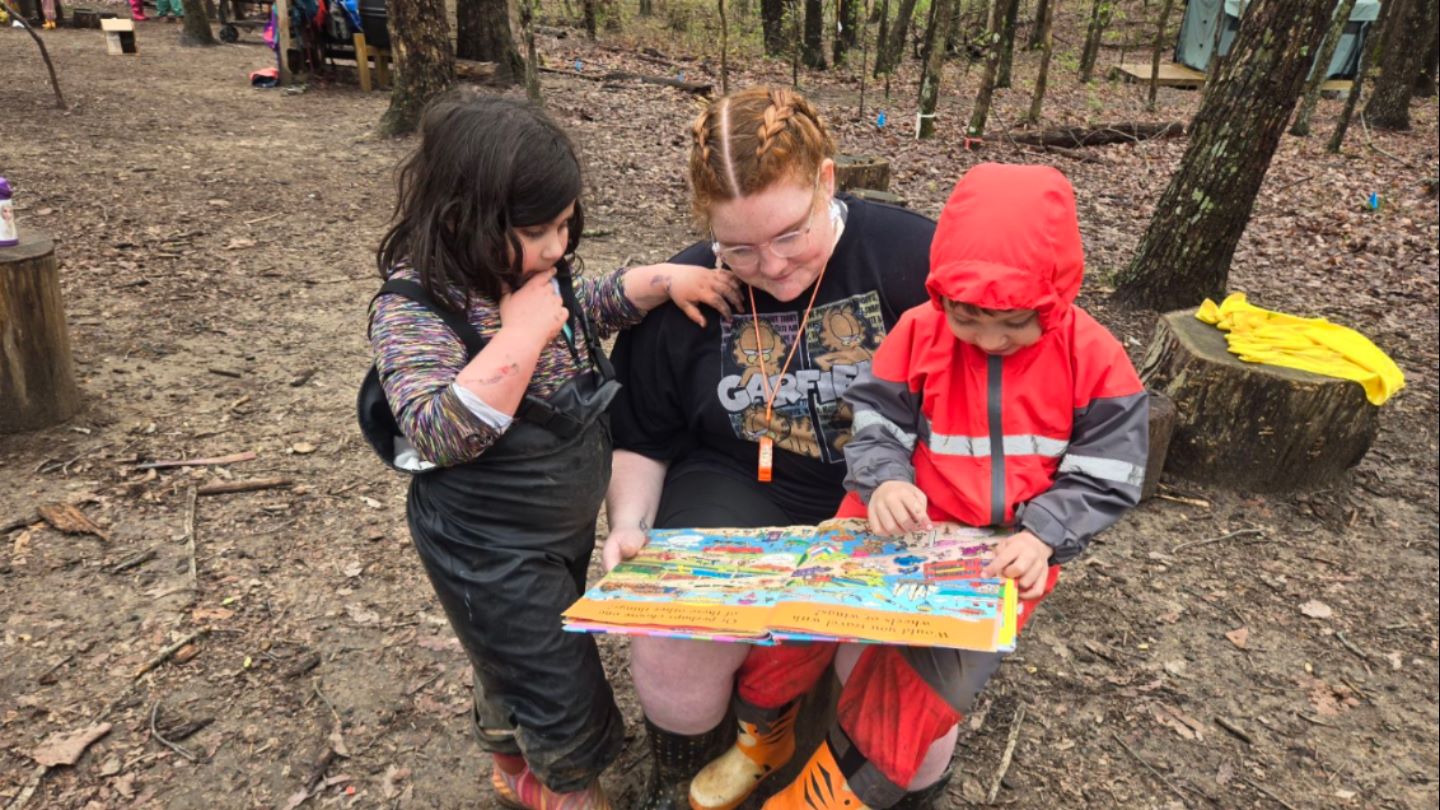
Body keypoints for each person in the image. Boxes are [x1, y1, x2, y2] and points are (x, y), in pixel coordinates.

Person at [690, 162, 1151, 809]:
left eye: (1015, 323)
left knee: (923, 689)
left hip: (1005, 549)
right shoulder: (922, 331)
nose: (989, 340)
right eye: (968, 317)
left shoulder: (1093, 357)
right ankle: (761, 736)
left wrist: (1046, 533)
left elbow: (1112, 468)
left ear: (1056, 295)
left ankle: (832, 794)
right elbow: (876, 416)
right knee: (800, 619)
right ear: (944, 295)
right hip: (890, 514)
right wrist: (882, 482)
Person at [366, 93, 740, 810]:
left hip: (556, 522)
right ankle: (569, 787)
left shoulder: (533, 272)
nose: (558, 248)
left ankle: (511, 764)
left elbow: (591, 305)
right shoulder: (414, 307)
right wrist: (518, 336)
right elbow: (436, 429)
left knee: (513, 651)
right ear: (461, 218)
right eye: (539, 231)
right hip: (486, 539)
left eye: (566, 225)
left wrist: (662, 281)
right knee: (554, 675)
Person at [600, 86, 939, 808]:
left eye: (790, 235)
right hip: (735, 485)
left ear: (827, 182)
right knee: (670, 634)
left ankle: (869, 786)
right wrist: (629, 526)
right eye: (741, 248)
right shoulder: (689, 287)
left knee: (900, 656)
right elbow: (643, 434)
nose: (775, 268)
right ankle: (686, 768)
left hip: (888, 495)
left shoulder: (914, 259)